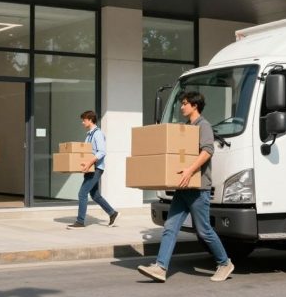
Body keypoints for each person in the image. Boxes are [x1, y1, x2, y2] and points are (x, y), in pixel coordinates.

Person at [137, 91, 234, 283]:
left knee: (204, 230)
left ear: (194, 106)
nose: (181, 107)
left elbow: (208, 151)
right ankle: (160, 267)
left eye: (184, 103)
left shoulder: (203, 126)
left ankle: (224, 263)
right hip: (183, 188)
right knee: (170, 227)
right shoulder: (187, 128)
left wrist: (190, 170)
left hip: (198, 189)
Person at [66, 110, 120, 229]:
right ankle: (112, 213)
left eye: (84, 120)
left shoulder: (97, 134)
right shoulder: (89, 134)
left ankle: (80, 222)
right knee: (95, 195)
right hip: (91, 169)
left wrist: (89, 163)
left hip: (96, 168)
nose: (82, 122)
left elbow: (102, 152)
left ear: (90, 120)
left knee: (82, 193)